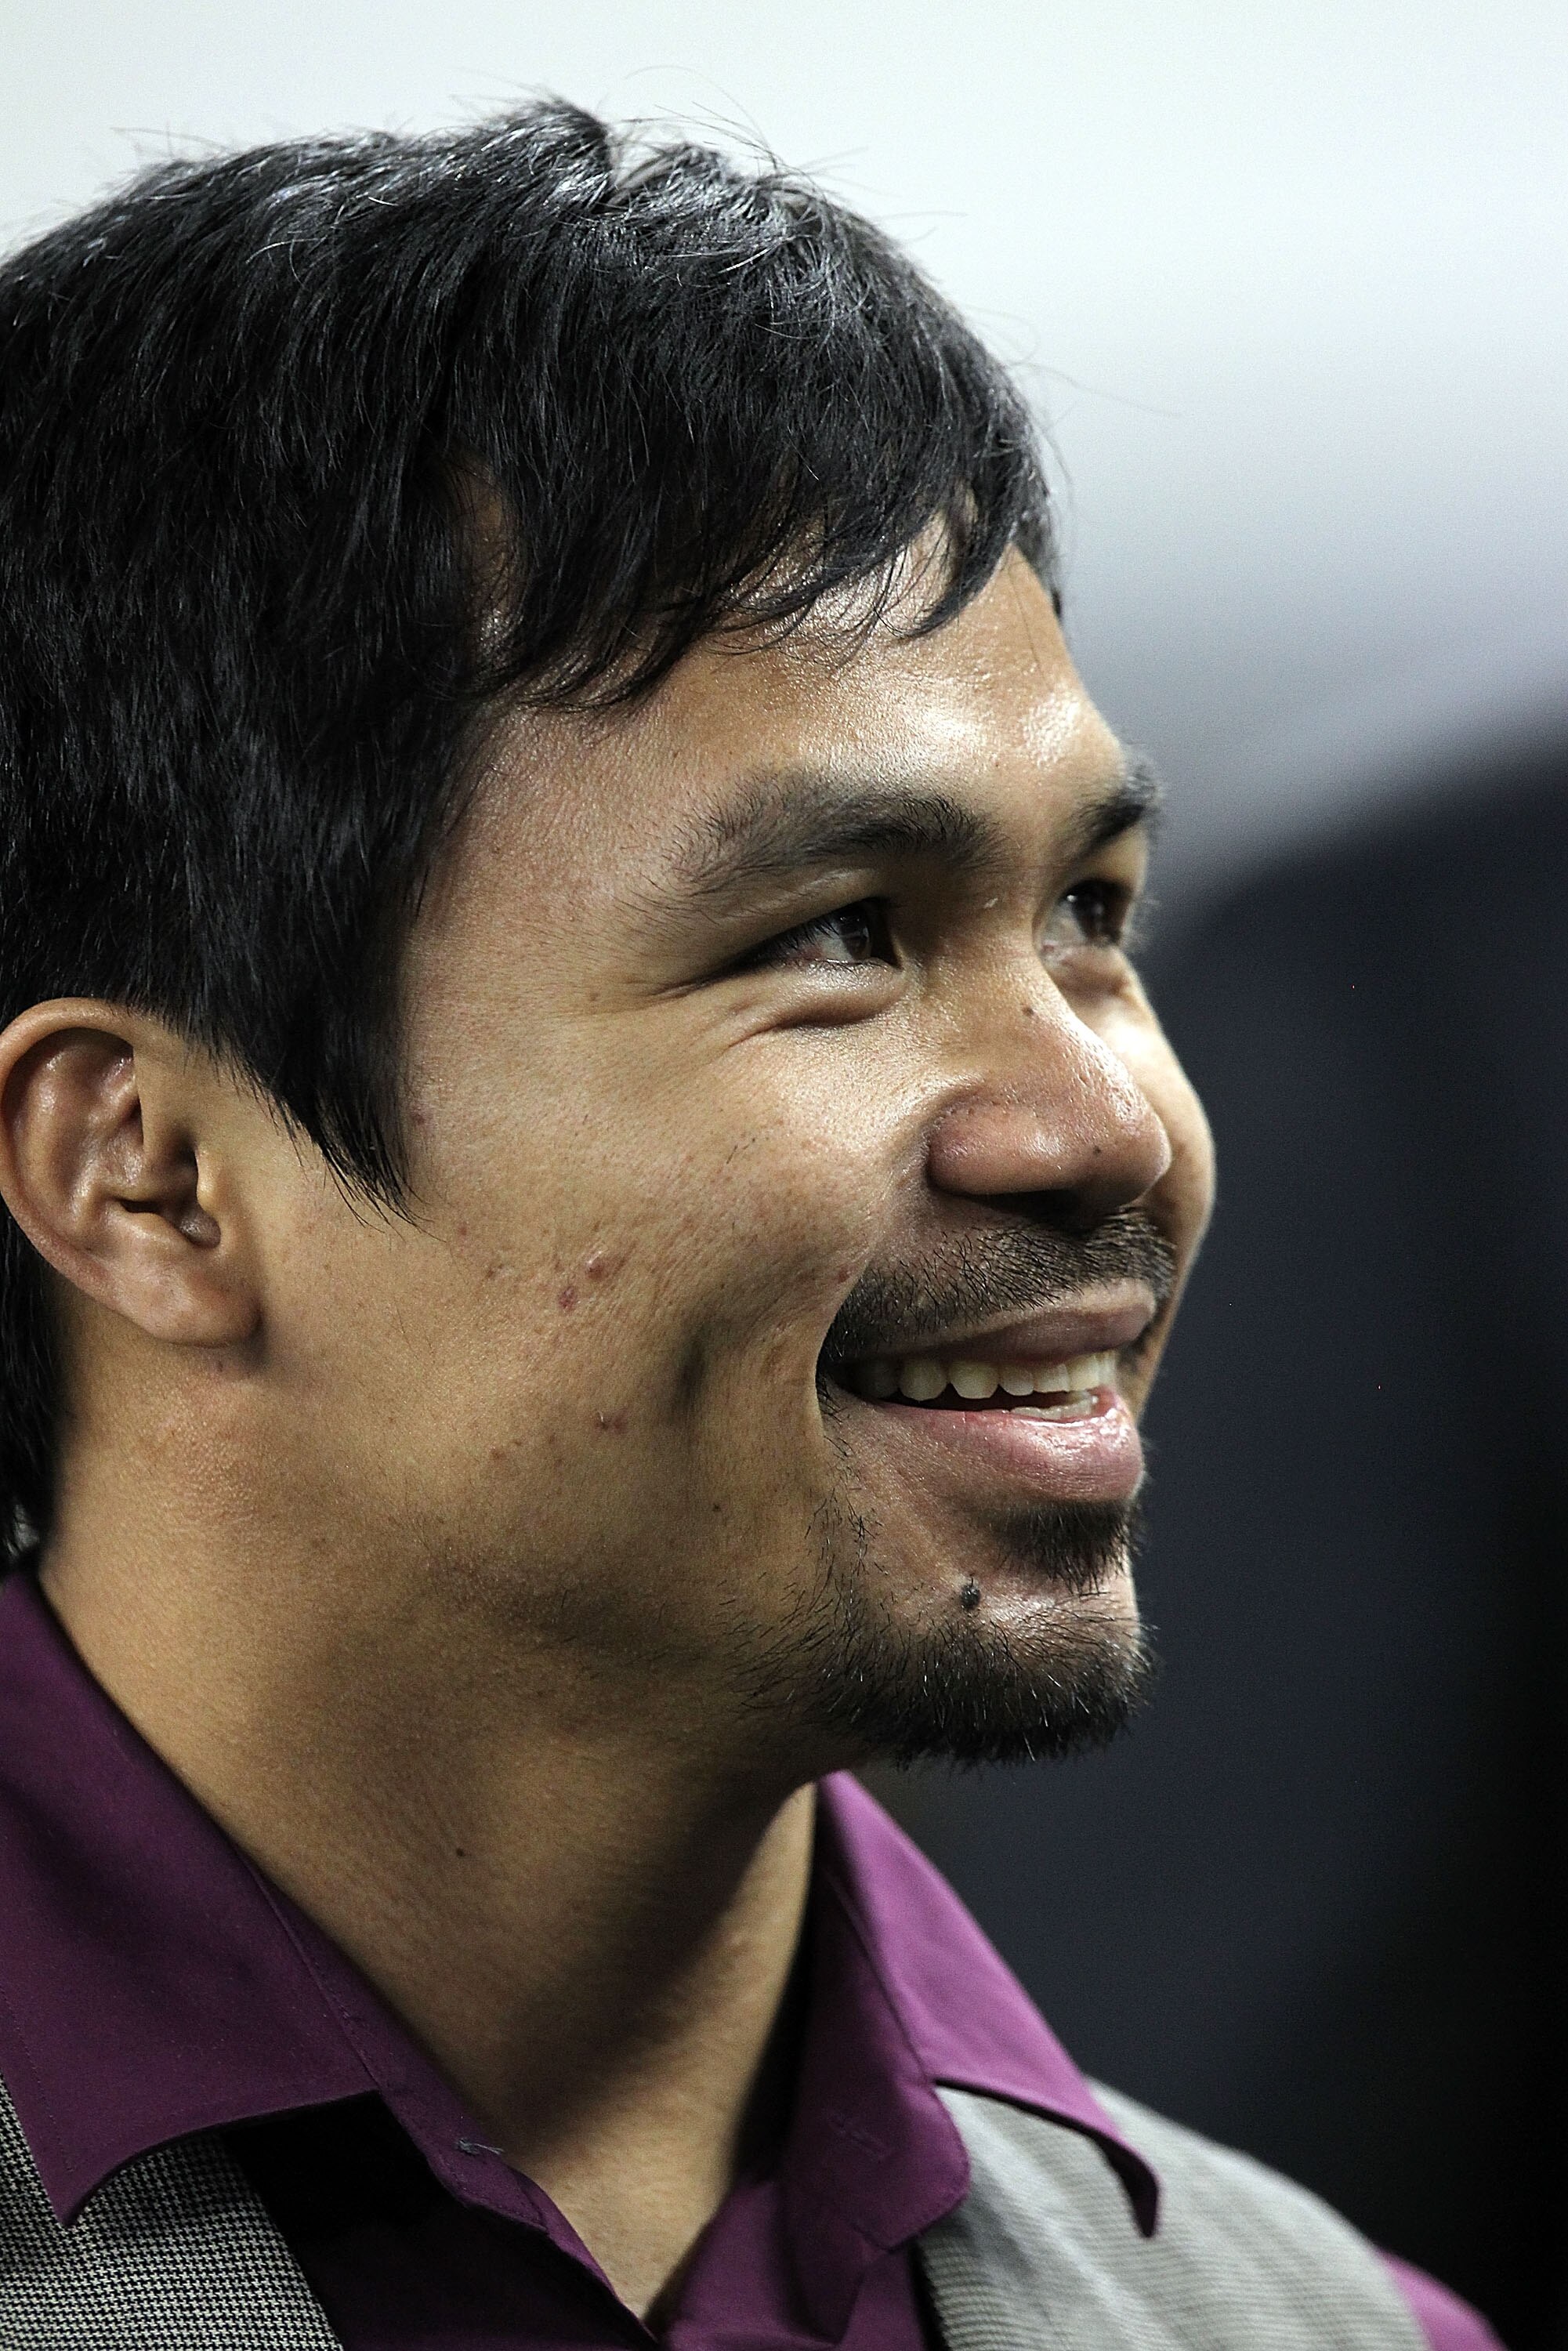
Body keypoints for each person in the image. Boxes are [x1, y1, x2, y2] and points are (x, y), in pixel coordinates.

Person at [0, 105, 1497, 2349]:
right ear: (149, 1172)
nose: (1105, 1121)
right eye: (837, 936)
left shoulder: (1314, 2325)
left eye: (1091, 916)